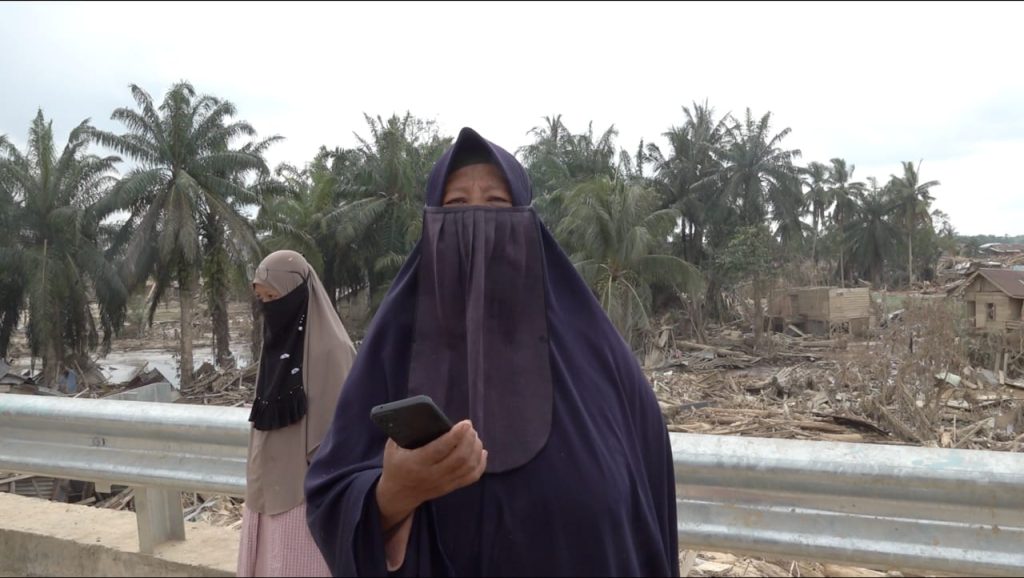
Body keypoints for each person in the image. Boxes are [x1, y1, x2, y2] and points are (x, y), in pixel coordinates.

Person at [304, 128, 679, 577]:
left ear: (529, 222)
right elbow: (332, 499)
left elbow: (649, 496)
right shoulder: (394, 348)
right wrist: (395, 493)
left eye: (497, 205)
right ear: (431, 223)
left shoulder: (598, 358)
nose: (477, 221)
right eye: (456, 207)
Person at [237, 250, 357, 577]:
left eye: (273, 296)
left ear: (296, 294)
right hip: (266, 485)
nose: (267, 306)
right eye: (261, 297)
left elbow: (342, 432)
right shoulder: (277, 343)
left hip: (304, 491)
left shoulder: (332, 350)